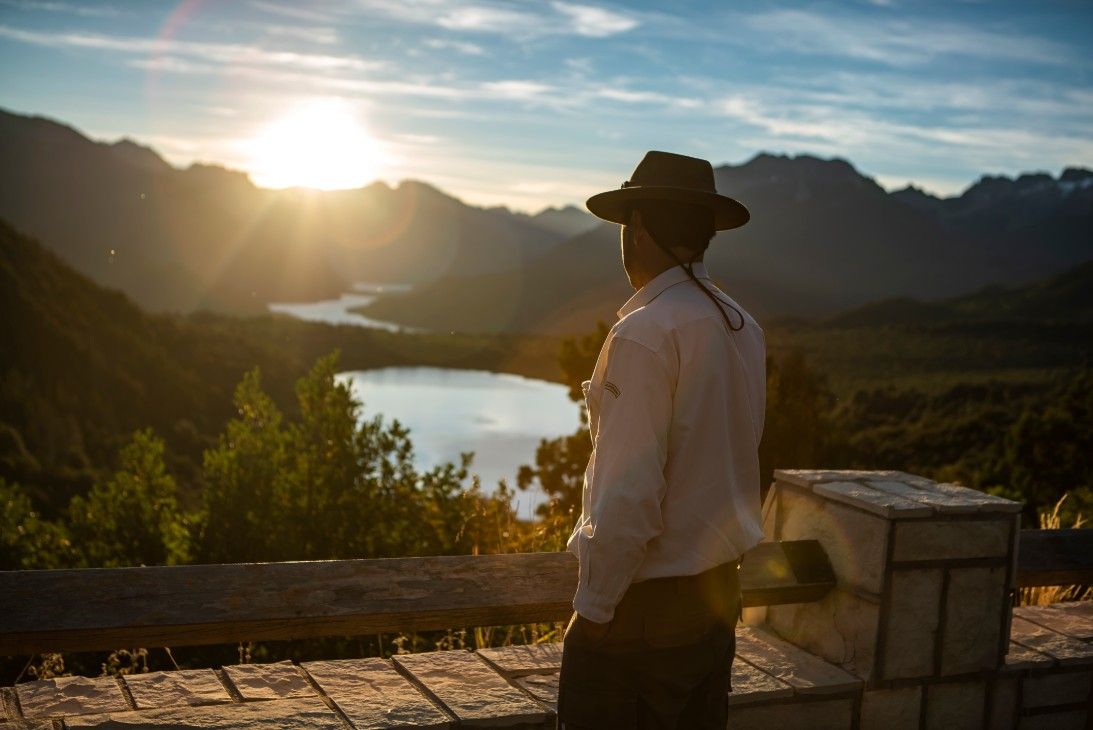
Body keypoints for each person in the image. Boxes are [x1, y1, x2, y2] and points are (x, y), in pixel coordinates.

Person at [556, 151, 767, 729]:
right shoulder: (742, 327)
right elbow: (738, 452)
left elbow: (628, 495)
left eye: (627, 224)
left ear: (638, 229)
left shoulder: (644, 334)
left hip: (641, 618)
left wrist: (594, 610)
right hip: (716, 600)